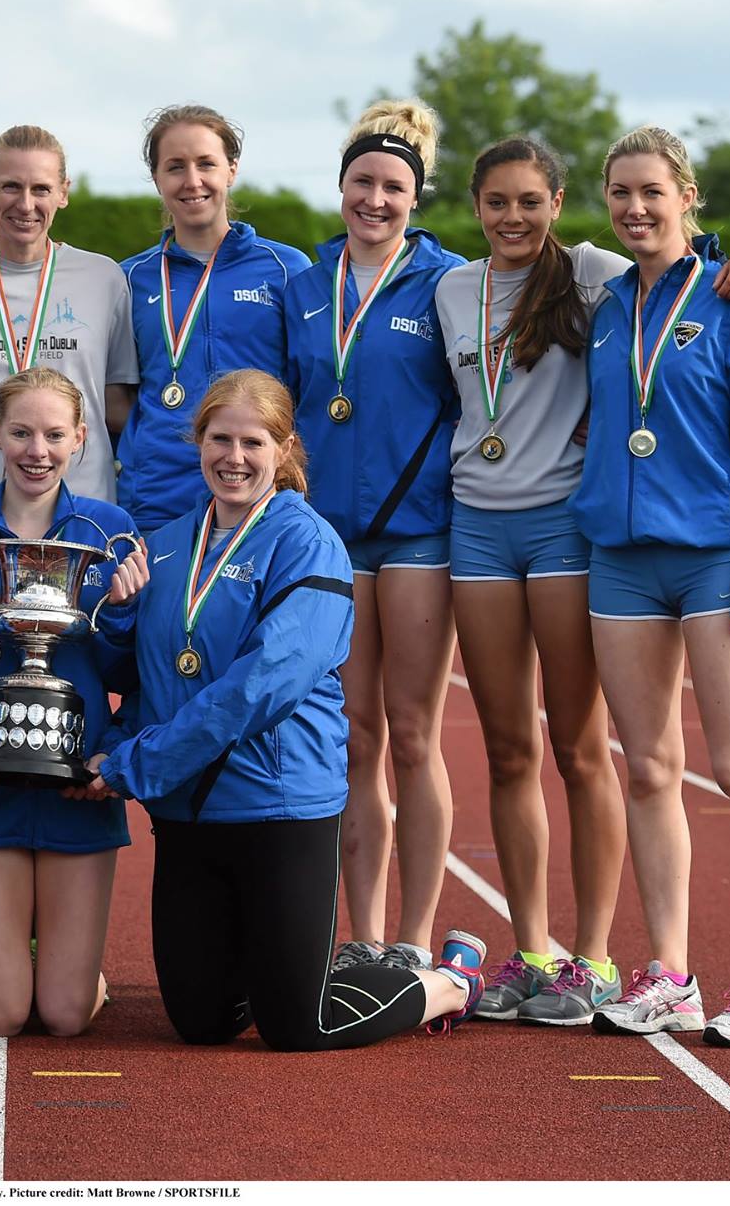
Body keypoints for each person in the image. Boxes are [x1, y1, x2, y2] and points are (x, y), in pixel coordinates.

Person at [436, 137, 730, 1025]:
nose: (514, 217)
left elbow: (682, 258)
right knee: (510, 749)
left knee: (586, 748)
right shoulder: (453, 289)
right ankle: (535, 949)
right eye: (496, 202)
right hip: (480, 526)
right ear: (475, 207)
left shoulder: (593, 276)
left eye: (531, 202)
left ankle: (598, 959)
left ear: (556, 204)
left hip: (570, 530)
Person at [78, 370, 486, 1050]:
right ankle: (268, 966)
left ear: (285, 448)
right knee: (202, 1023)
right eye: (219, 439)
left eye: (253, 442)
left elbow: (265, 683)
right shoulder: (169, 543)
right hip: (186, 810)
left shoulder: (308, 541)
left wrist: (135, 763)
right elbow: (147, 676)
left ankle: (448, 981)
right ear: (197, 440)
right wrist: (119, 624)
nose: (233, 458)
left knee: (299, 1024)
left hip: (278, 804)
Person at [571, 127, 730, 1046]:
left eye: (652, 192)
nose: (636, 208)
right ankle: (670, 971)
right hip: (623, 559)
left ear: (687, 196)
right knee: (648, 769)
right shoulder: (606, 306)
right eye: (621, 193)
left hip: (719, 560)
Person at [279, 99, 466, 976]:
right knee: (354, 737)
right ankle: (362, 936)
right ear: (342, 187)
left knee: (415, 732)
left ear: (415, 196)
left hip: (420, 533)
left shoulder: (452, 283)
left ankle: (417, 939)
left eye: (394, 186)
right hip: (330, 541)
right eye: (363, 182)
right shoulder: (303, 286)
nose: (377, 199)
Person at [0, 367, 148, 1036]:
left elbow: (130, 673)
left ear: (79, 441)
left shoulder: (110, 530)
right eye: (20, 433)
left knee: (67, 1016)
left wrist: (123, 613)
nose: (36, 450)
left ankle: (65, 971)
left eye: (51, 434)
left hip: (78, 790)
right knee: (1, 1013)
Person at [0, 125, 139, 505]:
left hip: (84, 517)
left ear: (63, 192)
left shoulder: (104, 280)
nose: (25, 204)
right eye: (10, 186)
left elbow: (118, 408)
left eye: (41, 189)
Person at [118, 106, 309, 534]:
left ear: (232, 170)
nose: (192, 180)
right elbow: (119, 396)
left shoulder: (285, 269)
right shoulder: (130, 278)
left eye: (206, 163)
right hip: (156, 498)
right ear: (156, 178)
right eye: (175, 167)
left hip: (256, 494)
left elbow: (305, 384)